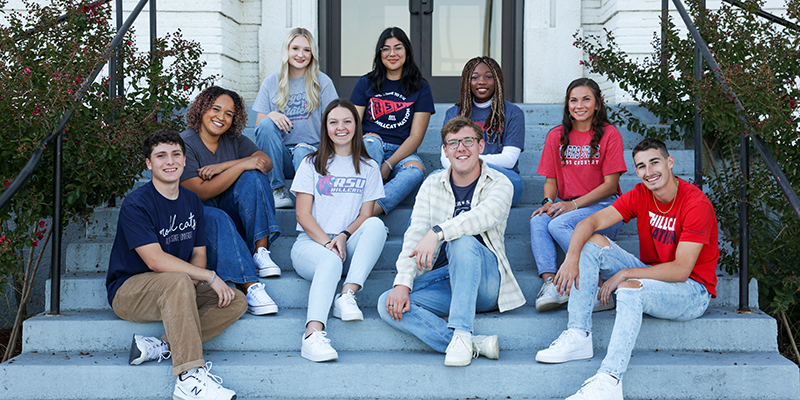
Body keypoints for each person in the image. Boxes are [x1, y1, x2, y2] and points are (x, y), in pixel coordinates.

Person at [535, 138, 719, 400]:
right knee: (592, 243)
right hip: (652, 272)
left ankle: (610, 380)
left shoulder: (695, 204)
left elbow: (680, 270)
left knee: (630, 289)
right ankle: (578, 333)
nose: (649, 171)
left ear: (670, 163)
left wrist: (624, 274)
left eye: (655, 162)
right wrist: (571, 258)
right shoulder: (641, 195)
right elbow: (592, 221)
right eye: (641, 166)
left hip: (691, 290)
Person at [106, 130, 245, 400]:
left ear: (184, 161)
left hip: (176, 287)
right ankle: (189, 377)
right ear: (149, 163)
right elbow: (155, 261)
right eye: (161, 156)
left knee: (235, 299)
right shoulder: (136, 203)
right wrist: (206, 276)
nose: (169, 161)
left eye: (176, 154)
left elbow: (198, 253)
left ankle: (161, 346)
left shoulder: (191, 200)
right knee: (178, 280)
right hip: (129, 292)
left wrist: (196, 280)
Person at [377, 116, 526, 367]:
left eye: (468, 140)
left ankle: (462, 331)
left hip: (486, 284)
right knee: (388, 302)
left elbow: (482, 217)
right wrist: (403, 283)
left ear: (481, 146)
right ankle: (470, 343)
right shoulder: (431, 185)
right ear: (445, 151)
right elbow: (414, 235)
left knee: (462, 240)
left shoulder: (500, 183)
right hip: (448, 280)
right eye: (453, 143)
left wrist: (437, 232)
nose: (461, 148)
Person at [290, 99, 387, 362]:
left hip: (348, 242)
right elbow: (302, 214)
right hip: (310, 244)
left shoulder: (368, 167)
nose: (340, 127)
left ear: (356, 126)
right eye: (334, 122)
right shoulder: (311, 164)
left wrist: (343, 236)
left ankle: (347, 295)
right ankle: (312, 335)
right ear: (325, 127)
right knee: (330, 259)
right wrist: (327, 243)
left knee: (377, 225)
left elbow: (365, 215)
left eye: (347, 121)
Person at [180, 86, 281, 315]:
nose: (221, 117)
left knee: (254, 176)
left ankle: (260, 252)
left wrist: (227, 165)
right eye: (215, 109)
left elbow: (265, 162)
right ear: (201, 109)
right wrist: (242, 164)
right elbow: (200, 192)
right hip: (201, 221)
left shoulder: (234, 140)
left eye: (229, 113)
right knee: (217, 216)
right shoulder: (186, 142)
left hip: (232, 214)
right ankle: (250, 285)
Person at [529, 78, 627, 313]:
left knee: (558, 225)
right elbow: (550, 180)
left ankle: (598, 285)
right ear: (567, 104)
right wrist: (548, 203)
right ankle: (552, 283)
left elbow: (610, 185)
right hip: (570, 207)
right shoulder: (556, 136)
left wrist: (572, 205)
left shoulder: (610, 135)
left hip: (606, 209)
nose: (579, 105)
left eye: (586, 99)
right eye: (573, 100)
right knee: (539, 219)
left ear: (597, 104)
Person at [350, 26, 435, 216]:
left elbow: (416, 136)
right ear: (379, 53)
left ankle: (366, 213)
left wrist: (388, 165)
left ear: (407, 51)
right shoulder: (366, 83)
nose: (392, 53)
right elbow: (352, 125)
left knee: (416, 171)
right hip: (369, 147)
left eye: (398, 47)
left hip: (401, 152)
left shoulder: (421, 87)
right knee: (371, 142)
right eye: (386, 48)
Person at [253, 27, 339, 209]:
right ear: (287, 51)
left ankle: (309, 200)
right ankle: (277, 189)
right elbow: (260, 128)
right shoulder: (270, 82)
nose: (301, 54)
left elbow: (334, 123)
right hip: (281, 157)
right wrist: (271, 114)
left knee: (301, 151)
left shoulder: (322, 82)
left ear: (312, 54)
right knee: (266, 124)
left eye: (307, 50)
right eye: (295, 49)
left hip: (312, 153)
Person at [440, 56, 525, 206]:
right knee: (433, 180)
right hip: (461, 176)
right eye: (474, 77)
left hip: (499, 177)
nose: (482, 82)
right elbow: (445, 159)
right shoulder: (454, 114)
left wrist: (469, 162)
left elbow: (509, 159)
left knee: (514, 182)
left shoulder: (513, 113)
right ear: (467, 82)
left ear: (497, 80)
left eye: (488, 76)